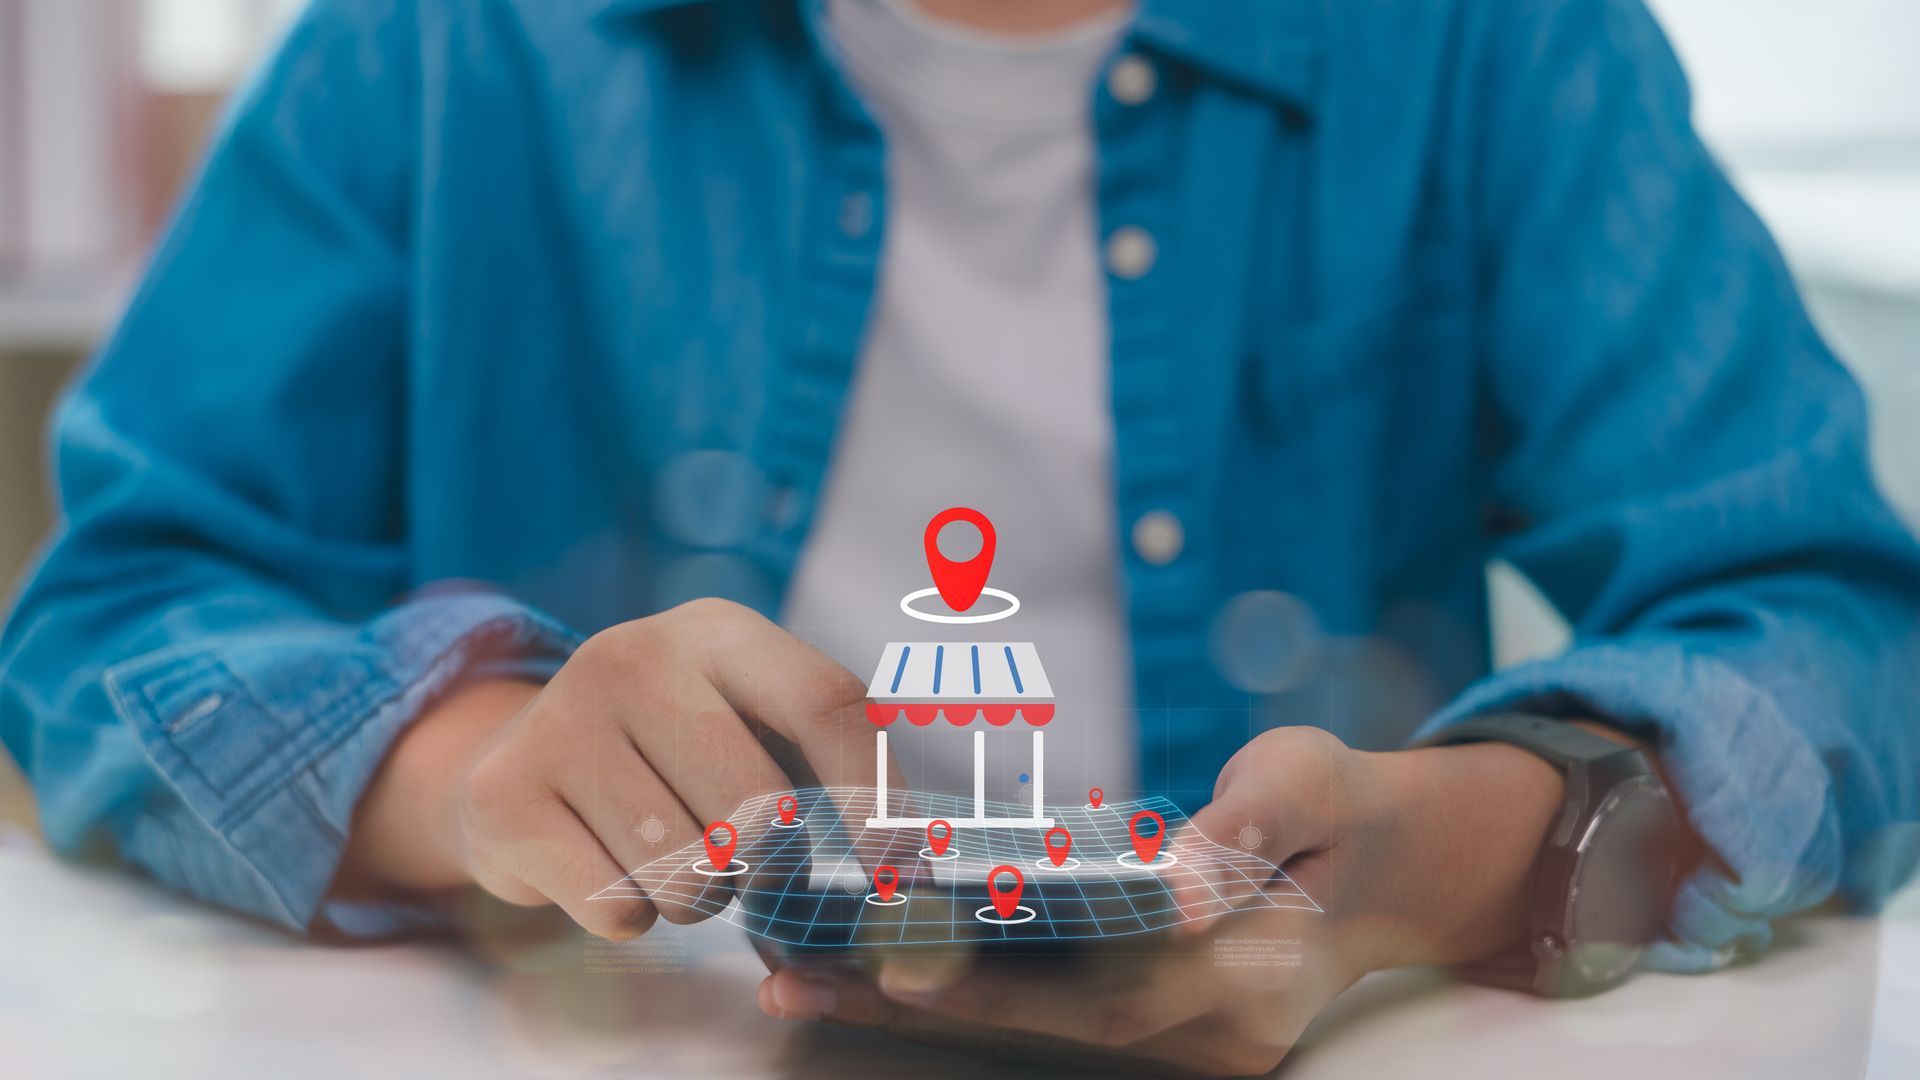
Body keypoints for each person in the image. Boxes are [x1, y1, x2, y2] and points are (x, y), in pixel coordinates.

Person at [3, 0, 1917, 1073]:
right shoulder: (441, 41)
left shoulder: (1502, 48)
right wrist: (475, 764)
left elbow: (1830, 626)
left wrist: (1438, 864)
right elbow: (111, 619)